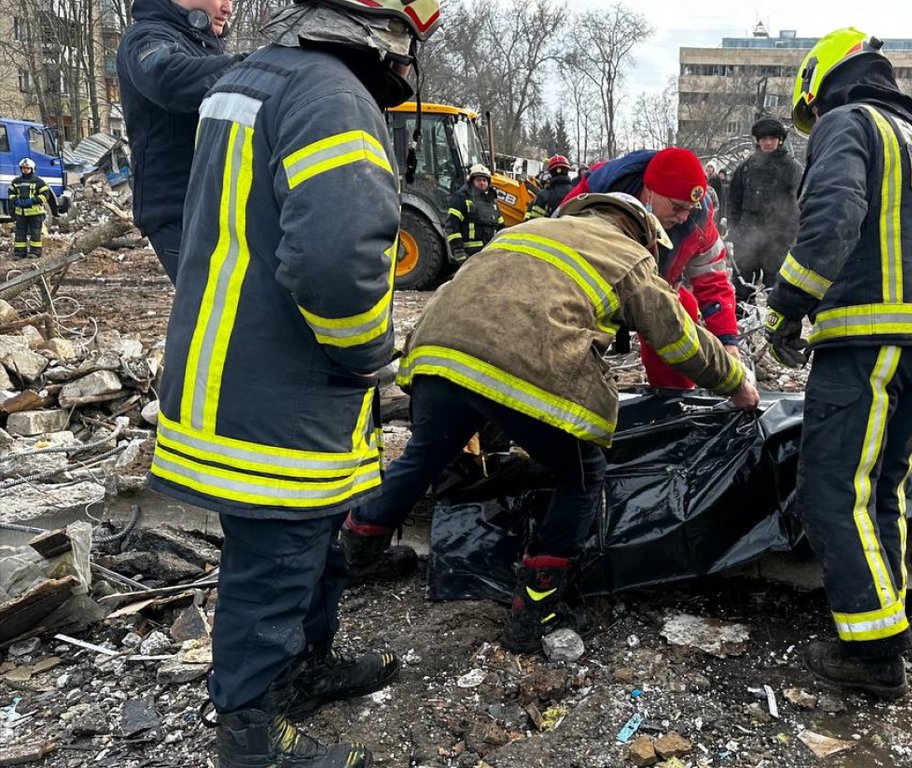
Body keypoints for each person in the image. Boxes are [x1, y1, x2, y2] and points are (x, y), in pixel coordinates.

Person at [147, 0, 441, 765]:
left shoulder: (257, 78)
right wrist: (365, 355)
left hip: (238, 368)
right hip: (281, 386)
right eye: (409, 49)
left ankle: (304, 668)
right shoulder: (335, 99)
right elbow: (337, 264)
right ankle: (250, 731)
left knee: (312, 543)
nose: (407, 68)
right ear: (386, 33)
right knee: (276, 560)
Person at [341, 192, 759, 652]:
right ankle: (537, 609)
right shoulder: (627, 253)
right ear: (639, 229)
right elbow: (677, 339)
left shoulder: (521, 232)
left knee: (422, 456)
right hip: (523, 365)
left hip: (436, 356)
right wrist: (736, 382)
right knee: (582, 475)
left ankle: (358, 553)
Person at [766, 27, 912, 700]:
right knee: (883, 489)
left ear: (819, 88)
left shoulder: (847, 121)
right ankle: (884, 621)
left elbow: (832, 219)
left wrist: (786, 306)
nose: (811, 125)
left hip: (870, 336)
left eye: (808, 114)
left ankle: (874, 654)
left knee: (831, 487)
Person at [564, 147, 742, 387]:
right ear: (649, 191)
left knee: (681, 308)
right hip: (591, 289)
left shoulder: (697, 217)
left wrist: (727, 341)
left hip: (653, 290)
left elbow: (713, 278)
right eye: (677, 208)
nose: (683, 217)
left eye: (690, 209)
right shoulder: (595, 193)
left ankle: (673, 396)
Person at [117, 0, 241, 283]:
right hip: (177, 211)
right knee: (214, 310)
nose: (228, 7)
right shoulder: (146, 38)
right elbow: (168, 79)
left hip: (216, 203)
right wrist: (256, 66)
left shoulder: (207, 46)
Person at [727, 116, 804, 288]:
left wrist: (790, 236)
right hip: (747, 241)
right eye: (764, 139)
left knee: (777, 292)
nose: (768, 143)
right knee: (742, 290)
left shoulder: (792, 168)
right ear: (758, 140)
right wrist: (736, 232)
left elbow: (800, 203)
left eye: (772, 138)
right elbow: (733, 201)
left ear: (780, 140)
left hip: (778, 242)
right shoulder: (745, 168)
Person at [446, 163, 504, 265]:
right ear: (472, 182)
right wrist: (458, 250)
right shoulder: (461, 199)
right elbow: (452, 226)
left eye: (485, 180)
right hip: (470, 255)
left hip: (490, 253)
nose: (482, 183)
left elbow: (501, 228)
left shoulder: (492, 203)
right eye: (479, 180)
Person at [6, 158, 60, 259]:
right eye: (23, 168)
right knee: (20, 234)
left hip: (35, 213)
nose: (25, 170)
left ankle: (35, 252)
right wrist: (15, 201)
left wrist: (33, 200)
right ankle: (19, 253)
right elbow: (10, 194)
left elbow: (45, 195)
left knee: (35, 233)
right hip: (21, 213)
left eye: (27, 168)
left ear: (32, 169)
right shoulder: (16, 182)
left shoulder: (39, 182)